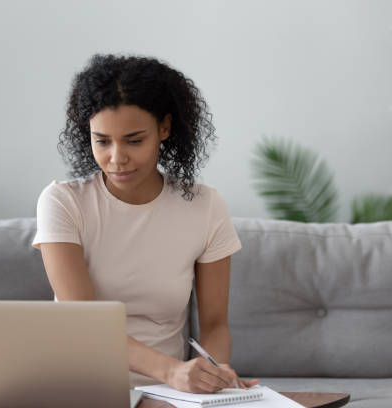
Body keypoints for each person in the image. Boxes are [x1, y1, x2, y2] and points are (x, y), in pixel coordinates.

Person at [31, 53, 259, 393]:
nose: (117, 158)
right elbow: (85, 321)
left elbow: (214, 325)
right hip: (79, 387)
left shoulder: (205, 206)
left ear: (164, 128)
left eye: (134, 140)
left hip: (170, 395)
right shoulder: (63, 202)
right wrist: (171, 371)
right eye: (102, 141)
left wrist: (215, 375)